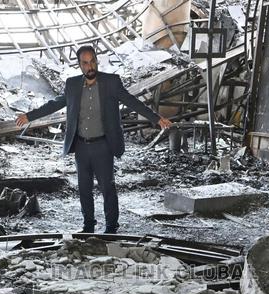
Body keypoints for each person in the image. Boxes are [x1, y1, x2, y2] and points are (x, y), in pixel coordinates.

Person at [16, 45, 172, 234]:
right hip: (81, 146)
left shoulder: (111, 82)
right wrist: (29, 116)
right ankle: (88, 226)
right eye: (85, 63)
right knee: (84, 189)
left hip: (103, 145)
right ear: (79, 65)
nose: (90, 67)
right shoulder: (72, 85)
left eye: (92, 61)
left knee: (107, 187)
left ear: (96, 61)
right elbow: (54, 104)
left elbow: (132, 101)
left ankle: (111, 227)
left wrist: (156, 118)